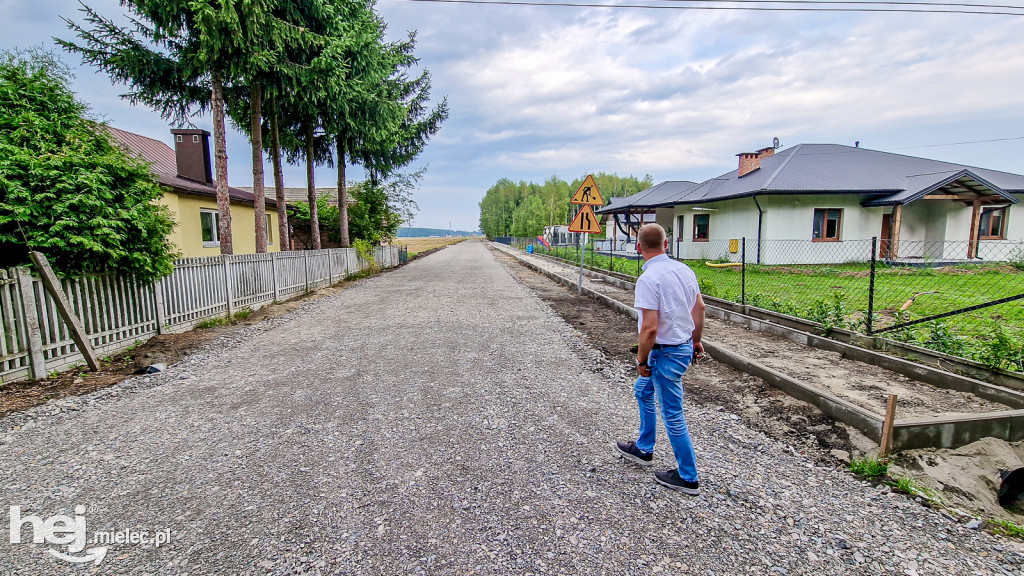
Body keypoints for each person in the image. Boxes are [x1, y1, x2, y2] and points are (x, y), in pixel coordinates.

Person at [615, 223, 706, 494]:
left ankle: (688, 477)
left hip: (664, 352)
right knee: (642, 390)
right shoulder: (684, 270)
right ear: (666, 244)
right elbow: (699, 308)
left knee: (673, 413)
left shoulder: (648, 279)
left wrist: (641, 360)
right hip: (682, 345)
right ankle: (644, 448)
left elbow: (650, 328)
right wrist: (697, 340)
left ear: (639, 247)